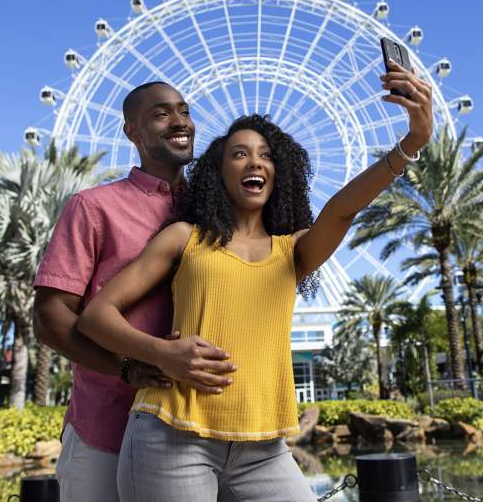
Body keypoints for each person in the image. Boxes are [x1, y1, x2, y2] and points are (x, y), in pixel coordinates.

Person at [76, 60, 433, 501]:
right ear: (218, 172)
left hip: (264, 447)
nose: (255, 162)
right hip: (170, 434)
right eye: (240, 153)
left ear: (278, 172)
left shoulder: (293, 252)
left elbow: (341, 209)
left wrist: (411, 143)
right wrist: (162, 353)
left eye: (266, 154)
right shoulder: (183, 238)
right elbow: (95, 317)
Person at [32, 81, 236, 502]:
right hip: (108, 427)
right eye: (161, 114)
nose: (179, 121)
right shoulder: (93, 207)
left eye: (184, 110)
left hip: (206, 430)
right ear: (132, 132)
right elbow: (50, 319)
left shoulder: (219, 214)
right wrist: (127, 367)